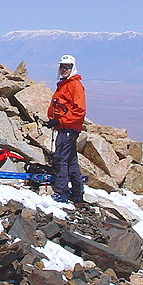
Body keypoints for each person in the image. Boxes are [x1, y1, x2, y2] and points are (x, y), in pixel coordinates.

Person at [44, 54, 87, 204]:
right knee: (71, 161)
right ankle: (77, 193)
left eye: (67, 67)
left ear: (73, 68)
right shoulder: (65, 84)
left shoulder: (74, 85)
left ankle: (61, 193)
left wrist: (60, 121)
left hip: (68, 128)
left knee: (60, 159)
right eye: (62, 66)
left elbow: (79, 110)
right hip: (64, 127)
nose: (64, 69)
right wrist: (54, 122)